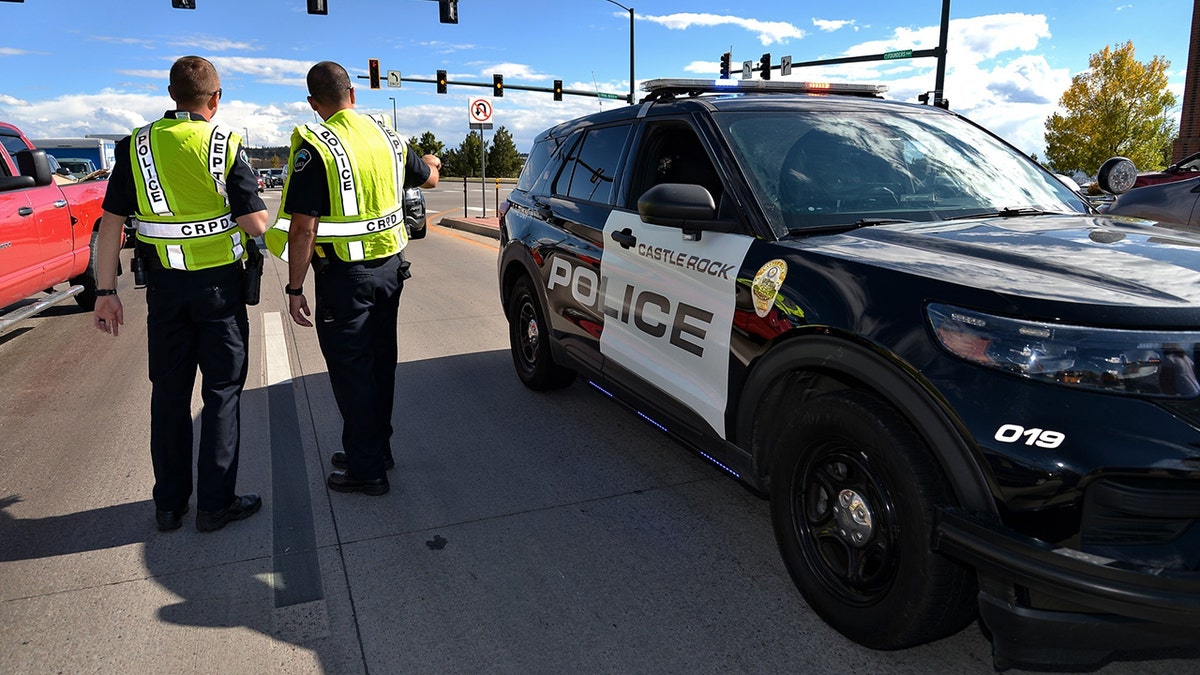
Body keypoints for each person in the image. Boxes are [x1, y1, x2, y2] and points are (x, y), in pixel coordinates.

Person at [92, 56, 270, 532]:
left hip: (165, 292)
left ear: (171, 95)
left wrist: (105, 290)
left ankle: (169, 505)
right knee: (222, 393)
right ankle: (215, 505)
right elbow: (255, 223)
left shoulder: (136, 146)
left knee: (168, 394)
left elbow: (110, 227)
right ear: (216, 98)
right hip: (219, 291)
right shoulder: (224, 143)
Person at [264, 61, 440, 496]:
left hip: (346, 279)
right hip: (390, 273)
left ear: (313, 103)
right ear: (354, 95)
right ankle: (376, 449)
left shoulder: (314, 146)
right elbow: (430, 177)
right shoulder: (386, 136)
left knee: (352, 372)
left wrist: (293, 288)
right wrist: (431, 162)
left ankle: (366, 470)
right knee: (380, 364)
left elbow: (303, 229)